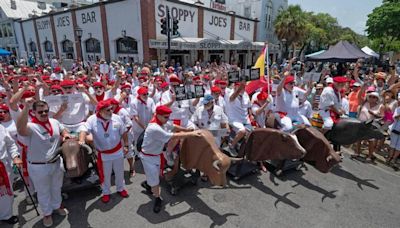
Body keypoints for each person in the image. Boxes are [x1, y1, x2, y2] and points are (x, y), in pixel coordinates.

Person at [16, 100, 69, 227]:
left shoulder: (54, 122)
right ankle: (47, 214)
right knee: (43, 191)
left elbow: (63, 129)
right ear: (33, 112)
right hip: (38, 166)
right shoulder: (30, 127)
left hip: (56, 162)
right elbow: (20, 129)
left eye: (46, 110)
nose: (44, 113)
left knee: (57, 187)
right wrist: (26, 107)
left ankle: (57, 206)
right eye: (40, 112)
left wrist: (66, 134)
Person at [139, 105, 201, 213]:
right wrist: (191, 133)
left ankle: (148, 184)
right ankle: (158, 198)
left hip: (156, 154)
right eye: (166, 117)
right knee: (156, 181)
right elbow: (172, 136)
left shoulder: (162, 121)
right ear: (158, 115)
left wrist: (186, 129)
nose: (168, 119)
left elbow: (174, 127)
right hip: (149, 158)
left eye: (168, 117)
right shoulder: (154, 128)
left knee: (156, 175)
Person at [79, 100, 130, 203]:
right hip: (104, 155)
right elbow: (83, 130)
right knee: (105, 175)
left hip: (117, 151)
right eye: (108, 110)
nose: (111, 111)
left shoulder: (116, 118)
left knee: (119, 172)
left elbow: (124, 132)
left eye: (111, 108)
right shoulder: (92, 120)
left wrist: (126, 145)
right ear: (100, 111)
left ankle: (121, 188)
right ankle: (106, 192)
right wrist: (81, 140)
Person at [0, 124, 21, 225]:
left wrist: (15, 156)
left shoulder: (1, 128)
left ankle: (6, 216)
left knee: (6, 194)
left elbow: (11, 144)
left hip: (3, 166)